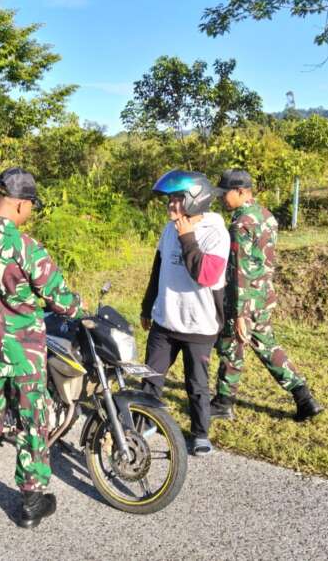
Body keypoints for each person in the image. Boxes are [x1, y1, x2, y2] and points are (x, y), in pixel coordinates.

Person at [0, 167, 83, 533]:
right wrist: (78, 307)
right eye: (31, 205)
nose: (31, 212)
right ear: (21, 204)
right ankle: (31, 505)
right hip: (25, 353)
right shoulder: (25, 246)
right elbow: (60, 299)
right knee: (32, 423)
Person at [210, 169, 323, 422]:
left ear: (241, 192)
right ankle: (304, 398)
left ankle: (223, 402)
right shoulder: (266, 215)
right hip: (262, 295)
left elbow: (239, 270)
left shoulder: (241, 224)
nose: (221, 198)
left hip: (244, 298)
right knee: (266, 345)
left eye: (225, 193)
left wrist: (239, 314)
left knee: (230, 348)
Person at [140, 169, 230, 457]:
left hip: (199, 325)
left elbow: (205, 275)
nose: (170, 205)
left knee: (197, 386)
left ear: (195, 199)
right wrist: (147, 306)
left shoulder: (216, 232)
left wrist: (187, 236)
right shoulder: (170, 228)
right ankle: (145, 424)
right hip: (165, 319)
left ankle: (200, 434)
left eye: (177, 199)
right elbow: (158, 267)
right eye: (169, 199)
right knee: (150, 379)